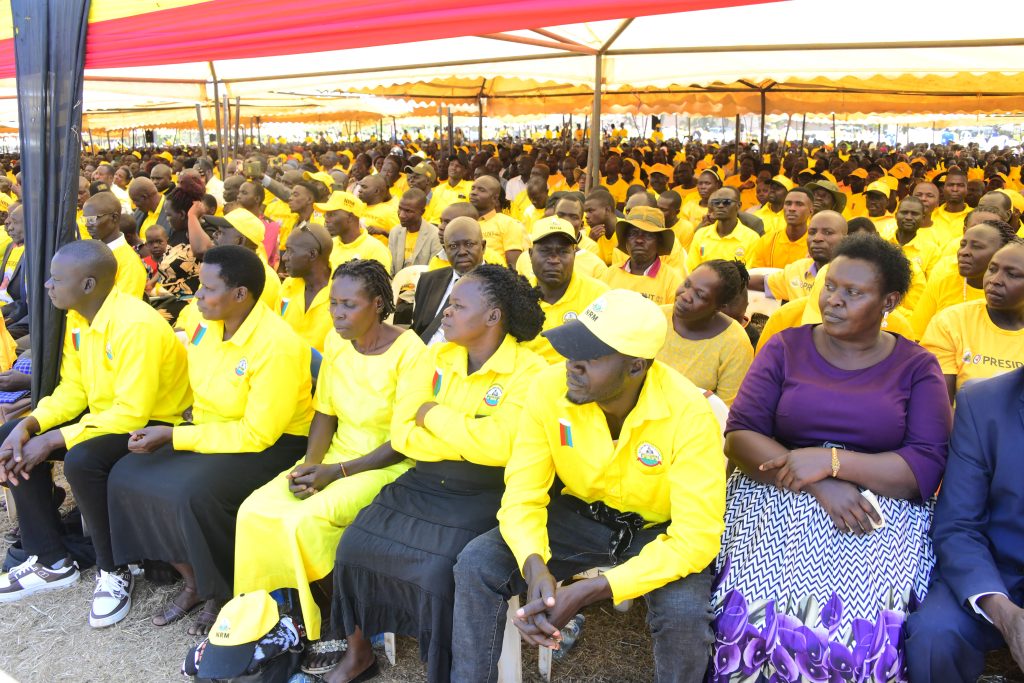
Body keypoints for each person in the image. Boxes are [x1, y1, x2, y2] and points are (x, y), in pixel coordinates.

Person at [452, 289, 726, 683]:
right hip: (579, 514)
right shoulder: (548, 390)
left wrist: (591, 590)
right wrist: (535, 566)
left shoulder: (689, 414)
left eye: (591, 356)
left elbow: (694, 540)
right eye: (570, 349)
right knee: (477, 563)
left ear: (635, 366)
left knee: (683, 615)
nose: (571, 365)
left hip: (659, 533)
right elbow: (522, 494)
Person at [711, 234, 951, 682]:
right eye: (831, 286)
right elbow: (741, 437)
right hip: (776, 491)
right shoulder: (785, 348)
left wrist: (832, 461)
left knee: (859, 642)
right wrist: (819, 480)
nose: (834, 301)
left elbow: (922, 467)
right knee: (751, 627)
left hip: (878, 508)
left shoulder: (917, 366)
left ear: (890, 301)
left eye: (853, 293)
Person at [321, 265, 546, 683]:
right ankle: (359, 654)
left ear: (493, 317)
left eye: (458, 305)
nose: (445, 311)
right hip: (423, 479)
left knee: (439, 571)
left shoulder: (530, 372)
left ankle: (443, 669)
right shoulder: (435, 355)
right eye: (448, 303)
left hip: (483, 491)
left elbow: (501, 448)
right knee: (353, 547)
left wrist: (434, 415)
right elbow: (404, 434)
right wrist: (466, 431)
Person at [107, 246, 313, 636]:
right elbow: (192, 382)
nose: (196, 296)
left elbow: (257, 434)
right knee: (126, 473)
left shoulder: (277, 345)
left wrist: (176, 436)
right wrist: (170, 426)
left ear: (240, 295)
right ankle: (193, 580)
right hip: (210, 430)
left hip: (274, 443)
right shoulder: (205, 324)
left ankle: (222, 591)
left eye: (206, 288)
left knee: (193, 494)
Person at [233, 260, 423, 670]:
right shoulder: (337, 342)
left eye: (349, 305)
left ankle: (356, 644)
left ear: (377, 304)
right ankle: (282, 622)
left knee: (304, 523)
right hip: (335, 456)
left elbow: (403, 442)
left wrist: (334, 474)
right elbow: (325, 413)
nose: (337, 313)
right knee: (254, 511)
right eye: (334, 303)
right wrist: (310, 466)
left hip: (386, 467)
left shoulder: (411, 352)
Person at [0, 241, 190, 628]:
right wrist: (30, 425)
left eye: (56, 279)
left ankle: (114, 568)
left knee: (82, 459)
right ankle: (50, 558)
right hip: (108, 416)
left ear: (88, 284)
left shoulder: (135, 325)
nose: (48, 287)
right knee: (9, 433)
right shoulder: (78, 318)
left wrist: (55, 439)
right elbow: (74, 390)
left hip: (156, 426)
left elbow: (132, 414)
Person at [905, 368, 1024, 682]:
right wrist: (1003, 612)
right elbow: (958, 525)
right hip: (997, 575)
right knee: (934, 636)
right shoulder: (983, 402)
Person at [920, 240, 1024, 402]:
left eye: (1012, 274)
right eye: (992, 269)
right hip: (963, 426)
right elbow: (937, 406)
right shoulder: (951, 322)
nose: (994, 280)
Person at [657, 259, 754, 406]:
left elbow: (725, 409)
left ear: (719, 307)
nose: (685, 296)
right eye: (686, 284)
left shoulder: (735, 343)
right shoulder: (657, 316)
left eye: (700, 295)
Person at [521, 215, 609, 364]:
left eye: (563, 252)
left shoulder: (599, 296)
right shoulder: (517, 296)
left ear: (574, 255)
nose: (554, 260)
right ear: (530, 255)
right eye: (545, 251)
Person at [910, 219, 1017, 338]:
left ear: (1002, 253)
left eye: (976, 247)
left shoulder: (1015, 293)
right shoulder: (945, 278)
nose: (963, 252)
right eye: (963, 245)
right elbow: (917, 336)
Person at [411, 216, 486, 345]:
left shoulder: (498, 285)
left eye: (469, 244)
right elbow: (417, 330)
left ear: (483, 246)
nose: (462, 252)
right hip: (422, 356)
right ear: (445, 250)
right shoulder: (428, 281)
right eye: (453, 246)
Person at [151, 174, 207, 323]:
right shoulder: (177, 233)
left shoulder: (205, 231)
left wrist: (192, 216)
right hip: (166, 299)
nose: (167, 220)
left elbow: (201, 250)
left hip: (188, 308)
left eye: (169, 216)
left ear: (182, 214)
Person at [600, 206, 683, 305]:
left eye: (648, 235)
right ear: (626, 240)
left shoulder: (672, 280)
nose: (639, 240)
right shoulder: (609, 274)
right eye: (633, 233)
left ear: (659, 242)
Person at [278, 222, 334, 352]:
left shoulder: (343, 292)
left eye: (290, 251)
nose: (284, 257)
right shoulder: (288, 285)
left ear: (312, 254)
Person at [81, 191, 148, 298]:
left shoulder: (129, 263)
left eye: (92, 219)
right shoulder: (92, 252)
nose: (87, 225)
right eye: (85, 219)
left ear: (114, 218)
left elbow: (125, 308)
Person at [316, 191, 391, 273]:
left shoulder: (375, 249)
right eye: (326, 214)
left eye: (332, 215)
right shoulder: (330, 245)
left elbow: (379, 284)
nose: (326, 220)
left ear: (350, 217)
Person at [686, 187, 760, 271]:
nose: (720, 206)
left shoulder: (752, 238)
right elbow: (691, 269)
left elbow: (749, 274)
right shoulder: (701, 235)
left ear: (738, 206)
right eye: (716, 202)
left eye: (726, 202)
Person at [745, 187, 813, 269]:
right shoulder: (766, 241)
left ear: (811, 210)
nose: (792, 209)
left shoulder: (815, 244)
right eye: (788, 203)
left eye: (799, 204)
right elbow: (755, 273)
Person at [470, 175, 526, 268]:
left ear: (495, 199)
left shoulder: (509, 223)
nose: (474, 193)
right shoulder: (464, 222)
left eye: (481, 190)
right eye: (473, 188)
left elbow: (513, 266)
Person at [387, 188, 441, 273]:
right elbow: (390, 267)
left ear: (422, 212)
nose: (401, 215)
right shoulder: (395, 232)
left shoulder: (435, 235)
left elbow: (433, 272)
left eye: (408, 211)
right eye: (400, 208)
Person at [887, 195, 942, 279]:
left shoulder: (932, 251)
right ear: (896, 215)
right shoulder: (882, 242)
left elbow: (932, 284)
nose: (909, 217)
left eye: (914, 214)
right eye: (904, 212)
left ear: (923, 218)